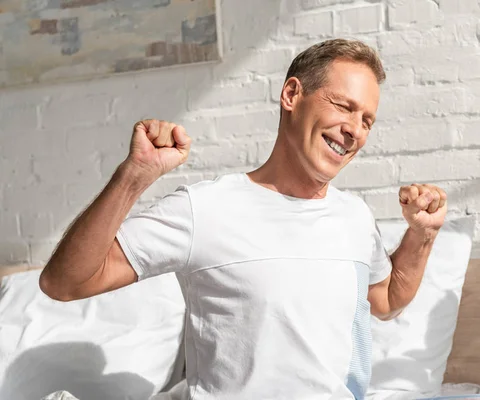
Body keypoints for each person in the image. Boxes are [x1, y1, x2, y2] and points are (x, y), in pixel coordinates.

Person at [40, 39, 447, 399]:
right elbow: (64, 282)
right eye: (344, 106)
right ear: (292, 94)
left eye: (367, 120)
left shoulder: (354, 217)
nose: (355, 130)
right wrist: (134, 176)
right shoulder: (207, 209)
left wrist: (422, 235)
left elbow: (387, 300)